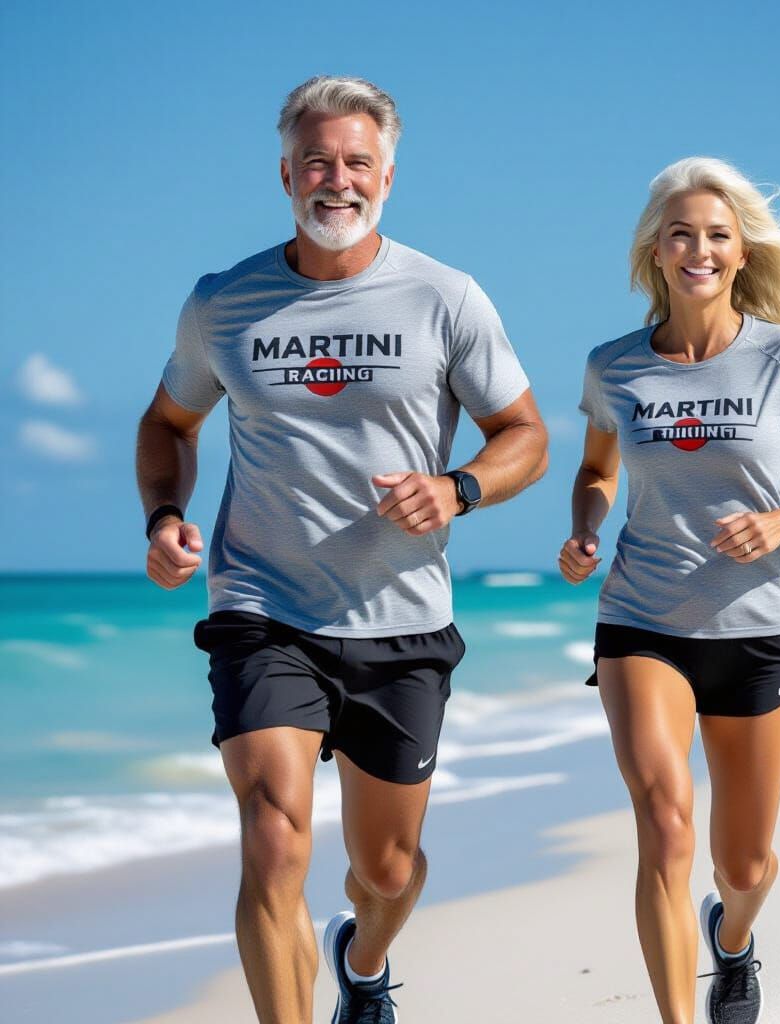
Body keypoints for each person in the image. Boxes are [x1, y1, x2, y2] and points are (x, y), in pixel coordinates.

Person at [136, 75, 547, 1024]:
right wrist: (163, 519)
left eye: (356, 161)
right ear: (286, 173)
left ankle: (362, 960)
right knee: (274, 843)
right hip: (262, 608)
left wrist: (457, 488)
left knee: (387, 870)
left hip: (401, 620)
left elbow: (523, 433)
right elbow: (168, 421)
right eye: (317, 161)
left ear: (387, 177)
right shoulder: (223, 302)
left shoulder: (445, 297)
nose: (336, 179)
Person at [558, 157, 780, 1024]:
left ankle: (732, 942)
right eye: (682, 234)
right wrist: (587, 526)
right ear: (655, 252)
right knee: (663, 823)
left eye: (718, 236)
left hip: (757, 625)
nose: (699, 248)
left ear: (739, 256)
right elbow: (595, 469)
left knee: (745, 865)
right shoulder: (613, 366)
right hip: (642, 621)